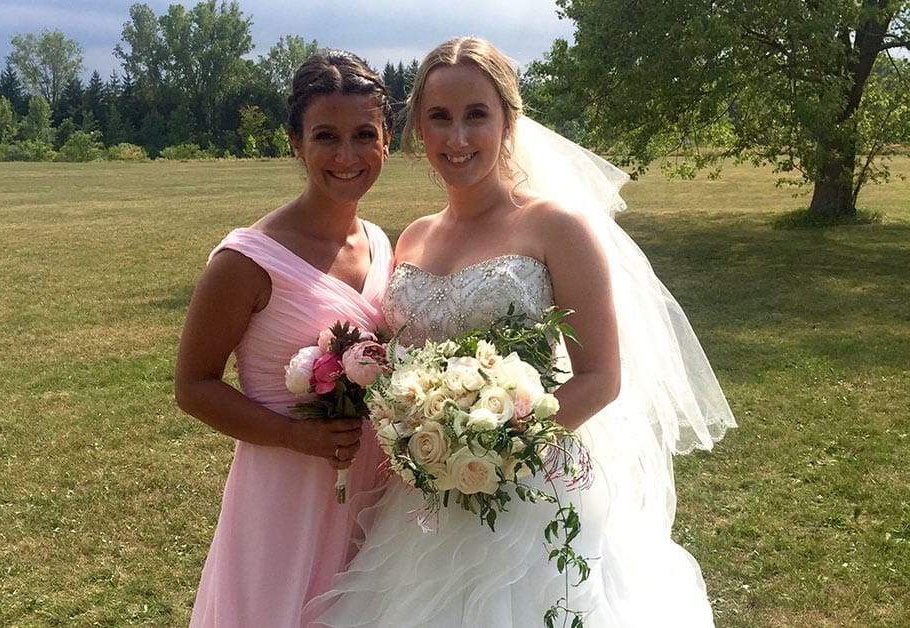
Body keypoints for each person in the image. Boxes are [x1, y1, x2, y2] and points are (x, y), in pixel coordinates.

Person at [303, 37, 736, 627]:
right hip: (425, 503)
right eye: (440, 118)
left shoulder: (557, 227)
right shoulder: (413, 239)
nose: (458, 138)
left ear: (509, 119)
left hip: (532, 497)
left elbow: (602, 378)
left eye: (476, 115)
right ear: (417, 132)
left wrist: (494, 445)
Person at [174, 50, 395, 627]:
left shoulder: (381, 243)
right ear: (295, 141)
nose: (346, 155)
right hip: (283, 493)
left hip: (372, 488)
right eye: (326, 135)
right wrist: (296, 438)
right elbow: (193, 386)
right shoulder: (246, 260)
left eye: (363, 134)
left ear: (386, 140)